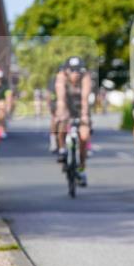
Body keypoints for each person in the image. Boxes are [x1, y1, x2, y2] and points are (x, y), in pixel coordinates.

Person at [54, 56, 93, 186]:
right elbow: (61, 98)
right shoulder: (61, 77)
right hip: (66, 105)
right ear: (66, 70)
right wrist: (61, 113)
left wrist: (84, 116)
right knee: (61, 124)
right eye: (72, 71)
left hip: (80, 107)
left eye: (78, 71)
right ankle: (62, 149)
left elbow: (85, 99)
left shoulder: (86, 78)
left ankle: (81, 168)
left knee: (84, 136)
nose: (75, 74)